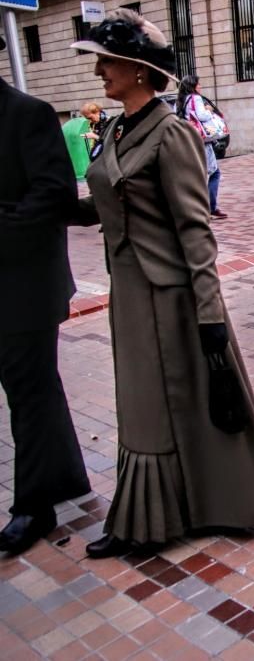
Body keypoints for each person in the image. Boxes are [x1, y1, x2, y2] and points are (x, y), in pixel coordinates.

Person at [68, 8, 254, 558]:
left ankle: (151, 520)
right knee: (142, 402)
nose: (100, 71)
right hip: (128, 291)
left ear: (139, 69)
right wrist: (42, 205)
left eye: (107, 61)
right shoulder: (118, 127)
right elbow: (104, 202)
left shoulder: (174, 135)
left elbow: (196, 233)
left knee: (158, 403)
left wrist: (211, 316)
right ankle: (165, 509)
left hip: (170, 296)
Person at [0, 49, 91, 556]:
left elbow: (52, 198)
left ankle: (34, 507)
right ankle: (68, 477)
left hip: (26, 286)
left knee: (28, 392)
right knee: (34, 386)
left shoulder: (27, 114)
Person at [177, 74, 226, 219]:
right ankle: (209, 208)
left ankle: (199, 208)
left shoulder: (181, 100)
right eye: (199, 84)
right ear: (193, 86)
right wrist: (209, 111)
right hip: (202, 140)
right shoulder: (195, 98)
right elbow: (201, 116)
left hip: (188, 139)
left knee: (197, 174)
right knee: (213, 173)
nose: (201, 86)